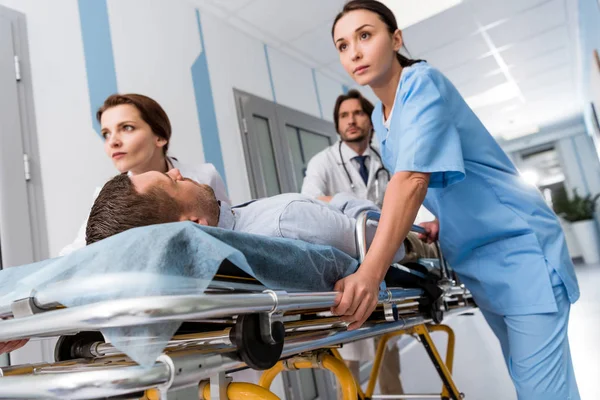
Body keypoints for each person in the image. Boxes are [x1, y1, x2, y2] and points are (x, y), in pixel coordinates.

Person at [330, 1, 580, 399]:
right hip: (482, 264)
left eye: (365, 35)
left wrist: (370, 274)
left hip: (521, 255)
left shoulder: (421, 82)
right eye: (342, 45)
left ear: (396, 39)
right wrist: (443, 219)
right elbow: (440, 177)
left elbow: (412, 178)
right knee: (529, 384)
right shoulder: (381, 117)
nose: (354, 52)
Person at [302, 89, 410, 395]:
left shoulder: (387, 161)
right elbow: (310, 199)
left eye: (358, 113)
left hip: (385, 264)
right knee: (346, 369)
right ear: (337, 125)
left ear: (371, 120)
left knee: (388, 359)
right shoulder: (323, 162)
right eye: (344, 116)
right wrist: (353, 206)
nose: (351, 121)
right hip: (344, 266)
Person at [59, 93, 229, 256]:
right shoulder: (105, 197)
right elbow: (74, 253)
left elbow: (230, 227)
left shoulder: (206, 176)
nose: (113, 142)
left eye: (126, 128)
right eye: (106, 134)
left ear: (160, 137)